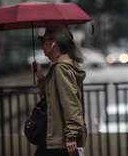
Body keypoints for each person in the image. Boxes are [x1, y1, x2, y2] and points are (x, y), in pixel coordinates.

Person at [33, 25, 87, 156]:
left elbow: (70, 102)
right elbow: (50, 96)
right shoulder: (62, 66)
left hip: (61, 140)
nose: (41, 46)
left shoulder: (61, 68)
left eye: (43, 41)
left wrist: (71, 136)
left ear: (53, 43)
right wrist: (40, 77)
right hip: (56, 138)